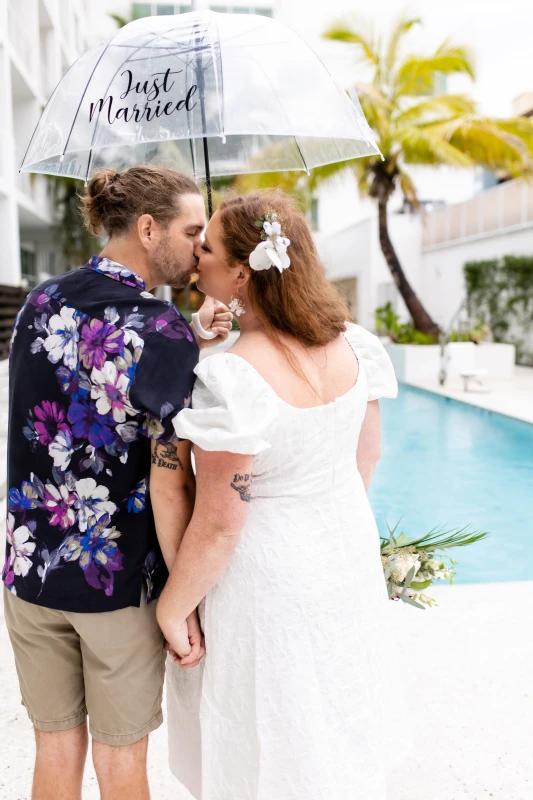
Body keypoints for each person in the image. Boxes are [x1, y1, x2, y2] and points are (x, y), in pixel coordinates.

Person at [154, 191, 401, 800]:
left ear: (241, 272)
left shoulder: (231, 379)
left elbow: (219, 524)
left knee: (265, 736)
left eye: (205, 247)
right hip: (341, 553)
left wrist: (171, 607)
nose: (194, 257)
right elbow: (363, 457)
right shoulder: (353, 345)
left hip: (266, 582)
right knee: (329, 724)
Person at [2, 165, 232, 800]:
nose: (198, 248)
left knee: (54, 747)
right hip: (114, 582)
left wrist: (189, 341)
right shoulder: (159, 331)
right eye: (192, 231)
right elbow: (168, 486)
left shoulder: (40, 300)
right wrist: (184, 594)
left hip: (29, 573)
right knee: (122, 760)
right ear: (149, 227)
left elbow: (91, 378)